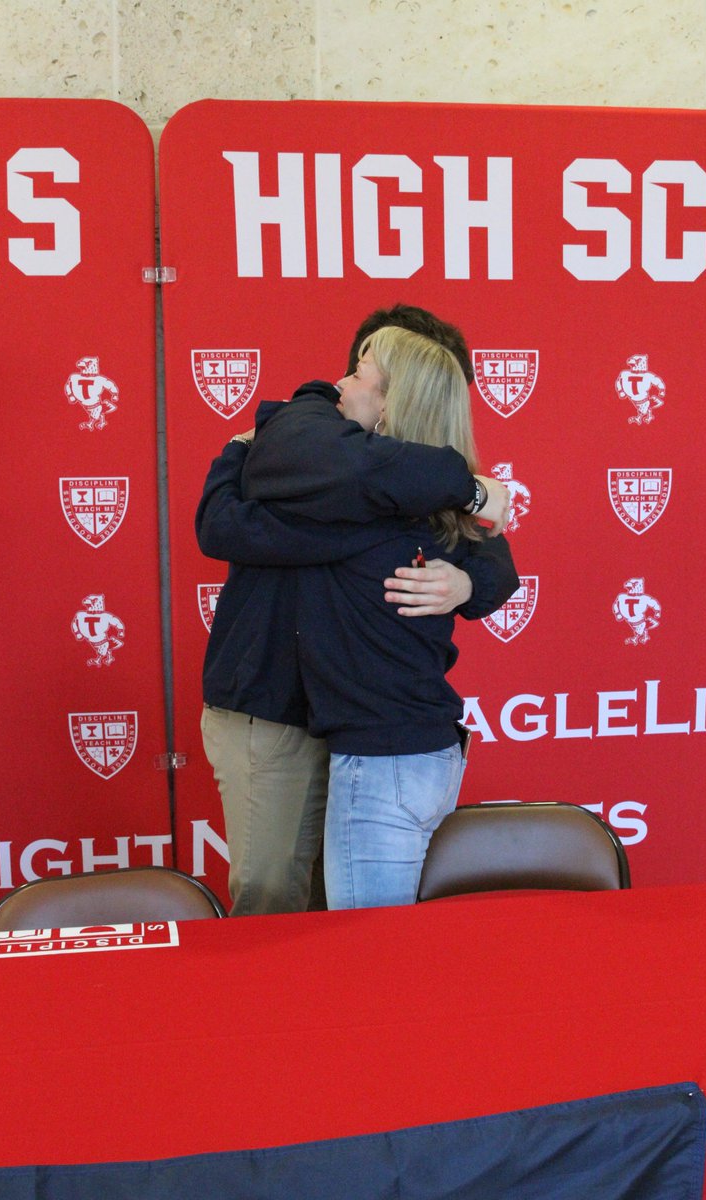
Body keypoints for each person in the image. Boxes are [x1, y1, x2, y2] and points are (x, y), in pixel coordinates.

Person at [196, 305, 518, 915]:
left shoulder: (417, 481)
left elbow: (495, 561)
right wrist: (465, 490)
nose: (351, 380)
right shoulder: (308, 427)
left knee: (342, 904)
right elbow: (220, 526)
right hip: (272, 711)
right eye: (367, 364)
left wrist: (466, 580)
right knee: (273, 897)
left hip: (363, 725)